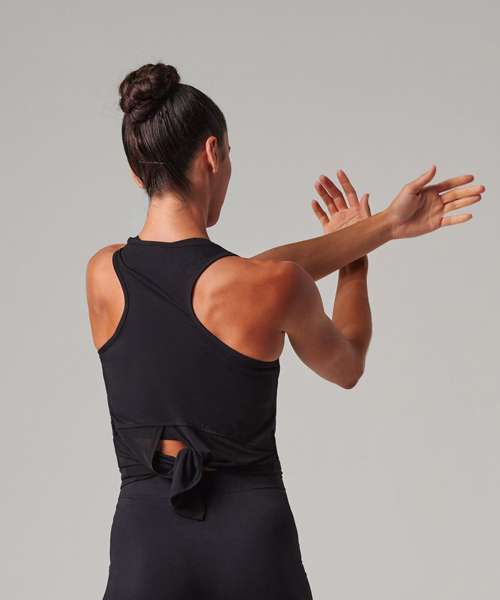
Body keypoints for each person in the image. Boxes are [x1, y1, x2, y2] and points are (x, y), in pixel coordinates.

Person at [85, 62, 484, 600]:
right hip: (249, 540)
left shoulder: (102, 274)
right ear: (212, 153)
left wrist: (383, 226)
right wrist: (357, 259)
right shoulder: (271, 286)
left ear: (138, 173)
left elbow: (221, 277)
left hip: (146, 541)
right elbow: (347, 364)